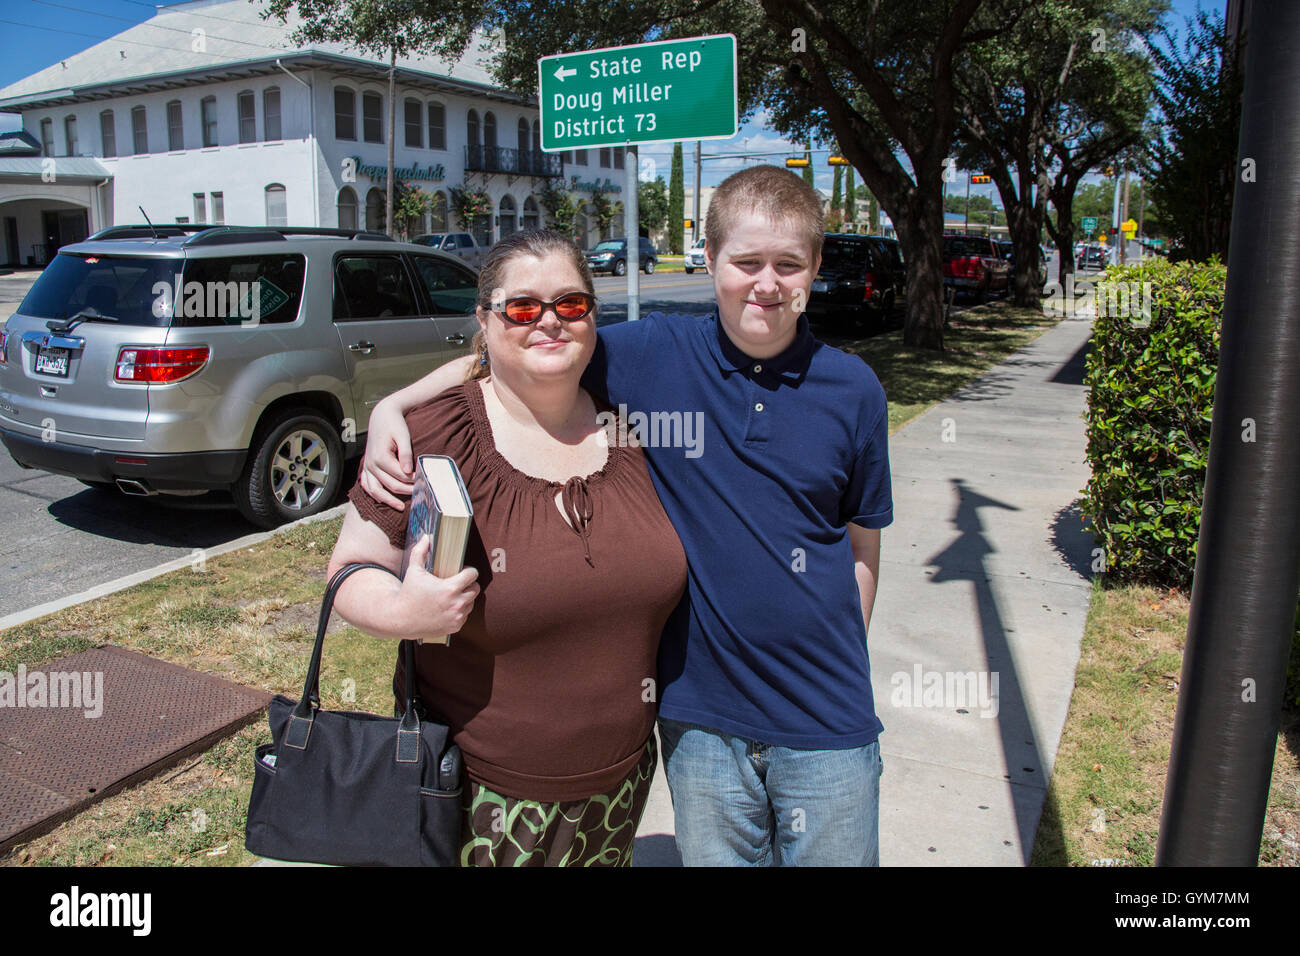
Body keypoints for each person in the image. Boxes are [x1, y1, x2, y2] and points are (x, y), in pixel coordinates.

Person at [361, 166, 893, 866]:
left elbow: (862, 547)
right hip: (700, 717)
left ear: (815, 267)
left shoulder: (854, 389)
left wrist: (837, 652)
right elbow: (523, 350)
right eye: (746, 262)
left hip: (828, 718)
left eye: (789, 264)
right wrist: (390, 407)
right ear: (710, 261)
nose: (766, 284)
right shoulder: (654, 355)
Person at [326, 229, 688, 867]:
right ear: (486, 320)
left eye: (570, 305)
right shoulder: (433, 433)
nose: (549, 322)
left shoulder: (634, 424)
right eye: (522, 308)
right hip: (478, 796)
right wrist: (406, 613)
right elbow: (349, 572)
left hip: (618, 790)